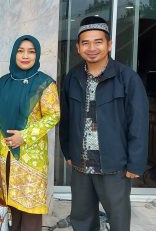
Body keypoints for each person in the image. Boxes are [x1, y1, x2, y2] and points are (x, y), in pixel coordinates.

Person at [59, 16, 149, 231]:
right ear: (78, 47)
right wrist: (68, 152)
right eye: (86, 43)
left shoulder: (127, 78)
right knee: (81, 219)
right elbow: (66, 118)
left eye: (98, 42)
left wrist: (135, 163)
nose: (92, 48)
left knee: (118, 219)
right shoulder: (72, 77)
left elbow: (138, 122)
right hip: (82, 162)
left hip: (114, 164)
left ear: (109, 44)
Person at [0, 35, 60, 231]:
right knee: (9, 201)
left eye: (31, 51)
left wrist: (24, 135)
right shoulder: (3, 83)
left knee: (29, 206)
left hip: (31, 156)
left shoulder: (45, 83)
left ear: (37, 55)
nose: (25, 55)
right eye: (20, 51)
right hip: (5, 153)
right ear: (14, 54)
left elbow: (54, 115)